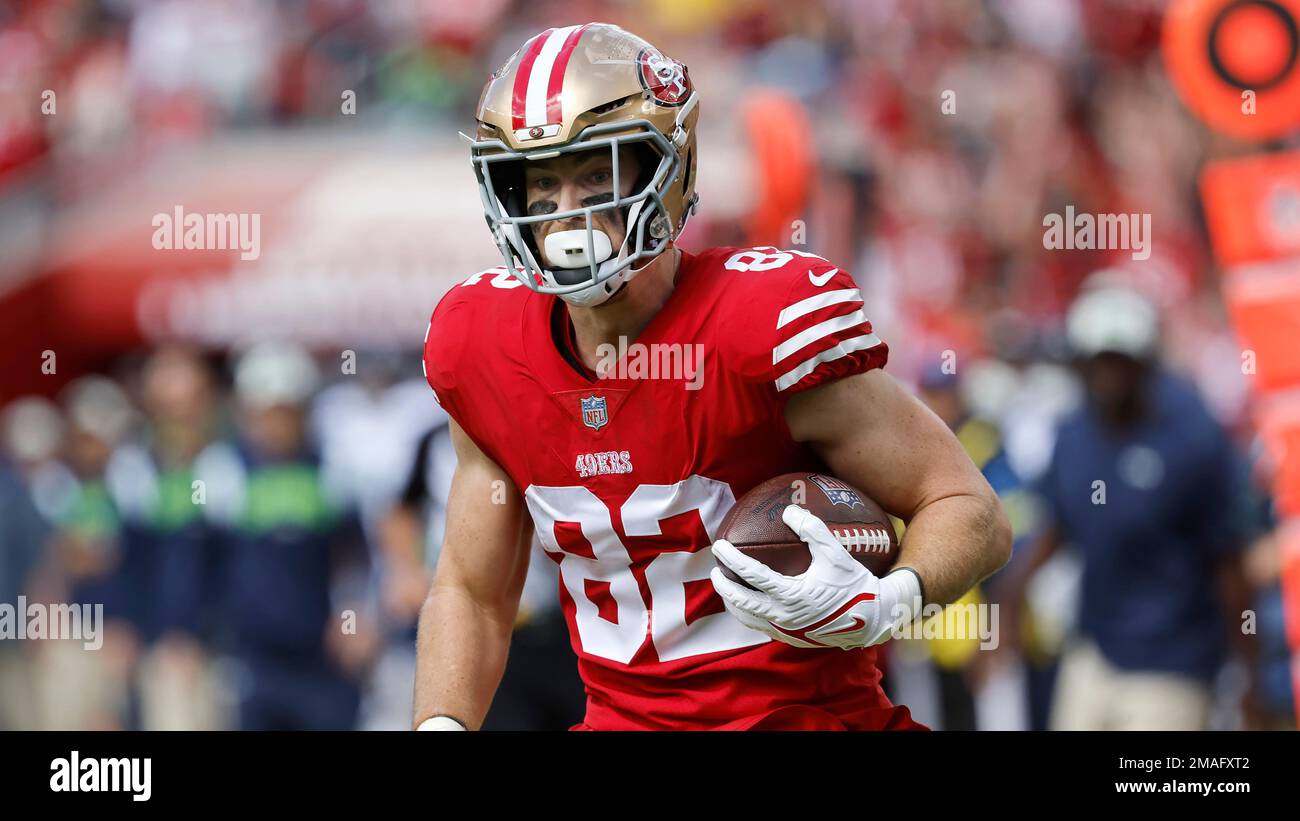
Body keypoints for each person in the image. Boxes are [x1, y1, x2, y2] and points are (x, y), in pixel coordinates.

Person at [415, 23, 1011, 731]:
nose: (564, 211)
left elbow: (969, 508)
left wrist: (885, 605)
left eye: (594, 172)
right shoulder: (480, 346)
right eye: (540, 181)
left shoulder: (759, 326)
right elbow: (471, 591)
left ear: (668, 169)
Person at [1005, 283, 1253, 730]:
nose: (1108, 375)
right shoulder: (1075, 433)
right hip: (1095, 650)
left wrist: (1247, 669)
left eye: (1120, 361)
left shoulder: (1192, 435)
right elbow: (1058, 525)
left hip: (1173, 659)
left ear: (1145, 363)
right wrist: (1010, 596)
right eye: (1098, 361)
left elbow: (1228, 558)